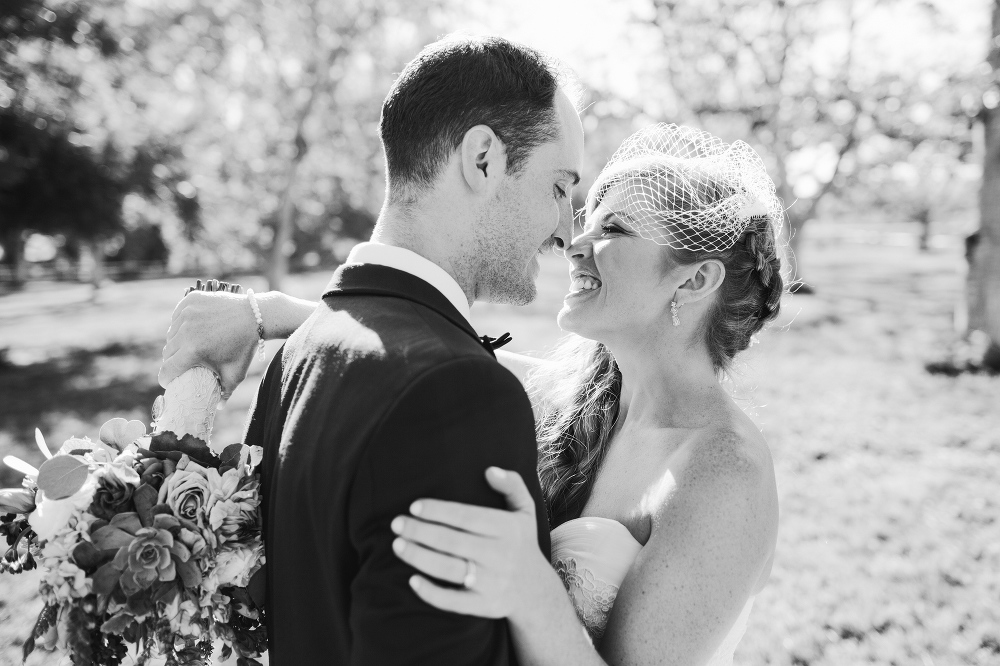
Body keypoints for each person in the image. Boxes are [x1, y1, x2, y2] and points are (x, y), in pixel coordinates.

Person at [163, 124, 782, 663]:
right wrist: (263, 312)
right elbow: (423, 353)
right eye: (585, 217)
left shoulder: (724, 475)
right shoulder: (581, 398)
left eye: (613, 228)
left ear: (696, 278)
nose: (574, 243)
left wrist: (531, 589)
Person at [162, 35, 585, 665]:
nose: (565, 229)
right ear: (484, 159)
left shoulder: (303, 348)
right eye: (559, 187)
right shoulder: (456, 392)